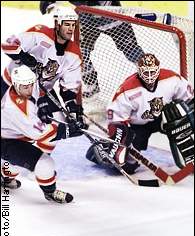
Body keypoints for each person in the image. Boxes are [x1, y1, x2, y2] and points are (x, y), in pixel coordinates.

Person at [86, 53, 194, 174]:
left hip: (164, 118)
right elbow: (116, 119)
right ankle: (102, 149)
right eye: (146, 72)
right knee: (126, 167)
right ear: (139, 71)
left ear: (158, 69)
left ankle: (190, 155)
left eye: (152, 72)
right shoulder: (128, 89)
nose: (149, 76)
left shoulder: (171, 79)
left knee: (179, 117)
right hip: (138, 126)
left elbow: (190, 99)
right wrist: (119, 139)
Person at [1, 65, 83, 204]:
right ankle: (50, 193)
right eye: (25, 87)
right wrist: (68, 130)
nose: (29, 90)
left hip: (16, 134)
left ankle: (5, 178)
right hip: (6, 141)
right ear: (15, 85)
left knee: (18, 162)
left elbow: (39, 91)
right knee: (45, 163)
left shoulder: (24, 87)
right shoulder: (14, 107)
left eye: (30, 85)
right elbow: (41, 134)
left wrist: (42, 105)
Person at [1, 6, 88, 128]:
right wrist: (24, 57)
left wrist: (71, 105)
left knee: (59, 126)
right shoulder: (40, 33)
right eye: (67, 24)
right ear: (57, 24)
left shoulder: (74, 54)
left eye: (73, 25)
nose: (71, 29)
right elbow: (7, 44)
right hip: (11, 84)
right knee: (13, 123)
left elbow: (68, 87)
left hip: (42, 91)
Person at [39, 1, 145, 97]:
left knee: (131, 49)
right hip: (89, 20)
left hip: (113, 17)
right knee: (80, 53)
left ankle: (147, 74)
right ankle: (91, 85)